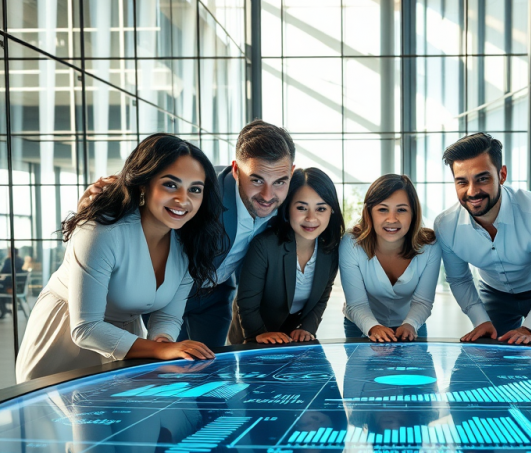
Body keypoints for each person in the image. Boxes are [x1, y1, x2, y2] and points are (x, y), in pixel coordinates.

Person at [16, 134, 224, 383]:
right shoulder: (100, 232)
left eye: (195, 189)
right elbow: (86, 328)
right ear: (143, 185)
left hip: (128, 341)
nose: (183, 199)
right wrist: (160, 350)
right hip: (65, 338)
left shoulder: (190, 244)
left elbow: (168, 316)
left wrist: (163, 341)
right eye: (170, 184)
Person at [80, 120, 296, 348]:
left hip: (217, 293)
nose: (267, 195)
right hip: (168, 291)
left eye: (280, 181)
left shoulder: (292, 202)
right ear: (235, 171)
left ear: (291, 173)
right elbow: (145, 194)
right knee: (171, 363)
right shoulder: (201, 190)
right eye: (256, 180)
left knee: (210, 363)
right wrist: (94, 203)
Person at [434, 132, 531, 346]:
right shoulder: (445, 226)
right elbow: (459, 279)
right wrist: (480, 320)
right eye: (462, 182)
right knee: (489, 366)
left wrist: (530, 327)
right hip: (494, 294)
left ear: (502, 174)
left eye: (482, 179)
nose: (472, 192)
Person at [228, 167, 344, 345]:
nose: (311, 218)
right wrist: (257, 333)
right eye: (301, 208)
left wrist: (307, 328)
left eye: (321, 209)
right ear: (287, 208)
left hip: (293, 340)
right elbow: (246, 302)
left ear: (332, 211)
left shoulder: (330, 250)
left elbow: (321, 298)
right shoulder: (264, 245)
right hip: (252, 336)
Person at [339, 174, 441, 342]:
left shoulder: (430, 245)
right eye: (382, 209)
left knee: (419, 369)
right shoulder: (351, 243)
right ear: (369, 213)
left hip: (412, 323)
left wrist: (410, 324)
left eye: (401, 210)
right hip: (361, 324)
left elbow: (423, 301)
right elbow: (357, 304)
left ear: (413, 214)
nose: (392, 219)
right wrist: (374, 327)